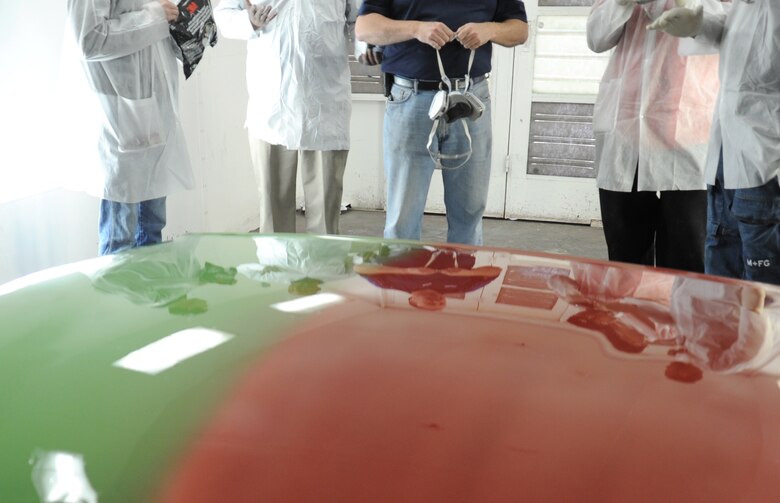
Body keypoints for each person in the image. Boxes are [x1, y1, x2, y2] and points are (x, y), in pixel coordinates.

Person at [355, 1, 528, 246]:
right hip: (411, 99)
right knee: (403, 217)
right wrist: (416, 29)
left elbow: (519, 29)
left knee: (469, 212)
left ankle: (463, 282)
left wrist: (490, 30)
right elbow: (364, 28)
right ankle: (401, 282)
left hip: (471, 99)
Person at [586, 0, 726, 272]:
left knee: (687, 264)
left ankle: (680, 316)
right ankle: (628, 315)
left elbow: (727, 27)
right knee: (625, 261)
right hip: (626, 134)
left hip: (689, 133)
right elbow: (596, 38)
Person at [647, 1, 780, 285]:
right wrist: (699, 25)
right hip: (729, 157)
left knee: (764, 293)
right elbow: (735, 32)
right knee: (721, 287)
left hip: (765, 163)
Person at [214, 0, 358, 235]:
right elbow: (223, 16)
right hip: (271, 107)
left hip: (325, 104)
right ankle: (276, 269)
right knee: (273, 208)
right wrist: (248, 21)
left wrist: (367, 48)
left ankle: (324, 268)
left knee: (325, 210)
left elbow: (357, 19)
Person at [66, 0, 196, 255]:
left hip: (156, 115)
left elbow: (156, 35)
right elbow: (89, 40)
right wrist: (156, 18)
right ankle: (117, 297)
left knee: (152, 230)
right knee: (120, 241)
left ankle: (152, 294)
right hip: (121, 121)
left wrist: (188, 28)